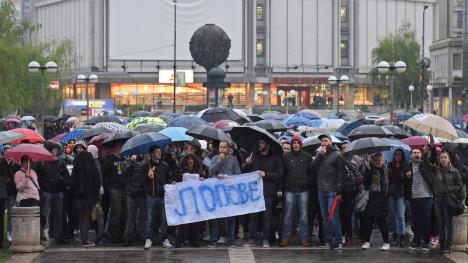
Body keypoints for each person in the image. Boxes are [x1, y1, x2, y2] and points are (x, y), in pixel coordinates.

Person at [243, 138, 283, 248]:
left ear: (268, 145)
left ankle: (266, 238)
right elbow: (245, 173)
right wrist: (247, 164)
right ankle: (252, 237)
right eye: (259, 143)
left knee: (267, 217)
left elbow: (279, 175)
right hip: (255, 191)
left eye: (262, 143)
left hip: (268, 191)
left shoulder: (275, 159)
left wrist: (266, 174)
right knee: (253, 216)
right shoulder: (254, 157)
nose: (259, 145)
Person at [310, 134, 346, 250]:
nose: (323, 143)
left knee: (333, 217)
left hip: (332, 190)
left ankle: (338, 240)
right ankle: (328, 240)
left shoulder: (337, 155)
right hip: (321, 190)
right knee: (325, 217)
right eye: (322, 141)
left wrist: (339, 191)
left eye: (325, 140)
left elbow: (341, 174)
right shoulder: (319, 154)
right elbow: (312, 168)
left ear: (331, 142)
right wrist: (319, 156)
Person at [427, 151, 464, 254]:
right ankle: (442, 245)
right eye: (441, 157)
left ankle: (449, 245)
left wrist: (450, 188)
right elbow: (426, 164)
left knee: (448, 223)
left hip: (448, 200)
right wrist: (426, 153)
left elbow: (460, 186)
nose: (443, 159)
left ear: (449, 159)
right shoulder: (436, 170)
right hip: (438, 199)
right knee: (441, 223)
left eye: (445, 157)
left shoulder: (454, 171)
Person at [280, 135, 313, 247]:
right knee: (287, 215)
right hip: (289, 190)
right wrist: (283, 187)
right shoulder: (286, 157)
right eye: (294, 143)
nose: (296, 144)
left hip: (303, 190)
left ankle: (304, 239)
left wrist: (306, 182)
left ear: (301, 144)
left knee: (303, 216)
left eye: (297, 143)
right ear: (291, 144)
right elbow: (282, 174)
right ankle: (285, 238)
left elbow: (311, 173)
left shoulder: (307, 157)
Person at [34, 141, 70, 244]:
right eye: (54, 149)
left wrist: (64, 184)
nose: (56, 151)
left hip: (58, 192)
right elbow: (36, 176)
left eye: (56, 149)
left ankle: (59, 235)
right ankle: (39, 235)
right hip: (46, 192)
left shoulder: (60, 162)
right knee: (43, 215)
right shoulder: (41, 162)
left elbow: (66, 175)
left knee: (59, 215)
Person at [208, 140, 241, 248]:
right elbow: (210, 172)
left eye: (224, 147)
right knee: (215, 216)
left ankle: (230, 239)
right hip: (217, 192)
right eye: (221, 147)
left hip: (230, 192)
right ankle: (214, 238)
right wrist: (219, 162)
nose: (222, 149)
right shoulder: (214, 158)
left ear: (228, 149)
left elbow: (238, 175)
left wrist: (226, 176)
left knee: (231, 216)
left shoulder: (233, 159)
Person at [359, 153, 391, 251]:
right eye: (375, 160)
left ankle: (386, 242)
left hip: (382, 198)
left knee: (382, 221)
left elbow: (390, 183)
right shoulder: (369, 169)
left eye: (379, 160)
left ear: (382, 160)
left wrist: (387, 194)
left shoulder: (386, 170)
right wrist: (371, 168)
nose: (377, 162)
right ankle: (367, 241)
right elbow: (365, 182)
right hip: (371, 197)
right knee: (368, 221)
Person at [71, 142, 100, 247]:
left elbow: (72, 181)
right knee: (86, 217)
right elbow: (97, 181)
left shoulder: (76, 167)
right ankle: (85, 240)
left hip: (78, 196)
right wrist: (96, 195)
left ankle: (82, 238)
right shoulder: (92, 166)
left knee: (80, 217)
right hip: (89, 196)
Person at [405, 148, 435, 251]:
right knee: (415, 220)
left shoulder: (425, 164)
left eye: (418, 153)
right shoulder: (408, 166)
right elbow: (403, 181)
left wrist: (429, 151)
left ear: (421, 155)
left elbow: (432, 160)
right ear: (411, 156)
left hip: (426, 196)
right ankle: (416, 241)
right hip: (413, 197)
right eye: (414, 153)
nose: (416, 154)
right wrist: (406, 177)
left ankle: (426, 242)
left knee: (426, 220)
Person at [145, 145, 174, 249]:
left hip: (162, 196)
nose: (159, 153)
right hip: (151, 196)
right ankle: (148, 239)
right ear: (152, 154)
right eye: (157, 152)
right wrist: (148, 177)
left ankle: (165, 239)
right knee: (149, 219)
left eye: (160, 151)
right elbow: (142, 181)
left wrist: (171, 182)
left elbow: (169, 178)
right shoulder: (147, 166)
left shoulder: (165, 165)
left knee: (163, 219)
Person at [175, 153, 205, 248]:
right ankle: (180, 240)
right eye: (188, 158)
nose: (190, 160)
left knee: (195, 221)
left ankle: (194, 240)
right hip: (184, 200)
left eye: (192, 158)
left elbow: (204, 180)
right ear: (185, 161)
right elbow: (176, 181)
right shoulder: (181, 171)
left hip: (195, 200)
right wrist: (175, 182)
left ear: (194, 161)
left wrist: (202, 179)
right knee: (183, 221)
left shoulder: (199, 170)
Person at [102, 144, 128, 243]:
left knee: (124, 212)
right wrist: (109, 186)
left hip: (124, 188)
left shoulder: (123, 160)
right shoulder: (109, 160)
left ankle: (121, 233)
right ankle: (114, 234)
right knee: (116, 211)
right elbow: (106, 175)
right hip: (114, 189)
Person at [122, 155, 148, 247]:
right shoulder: (127, 161)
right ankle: (128, 238)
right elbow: (125, 173)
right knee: (131, 217)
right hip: (131, 193)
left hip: (142, 193)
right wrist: (132, 163)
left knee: (142, 217)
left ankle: (143, 236)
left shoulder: (146, 161)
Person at [388, 149, 409, 247]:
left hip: (401, 193)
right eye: (396, 154)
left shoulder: (406, 167)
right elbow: (387, 179)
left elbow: (407, 183)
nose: (397, 156)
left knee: (401, 216)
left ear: (402, 156)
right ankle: (395, 236)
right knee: (394, 216)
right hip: (391, 193)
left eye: (399, 154)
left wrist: (406, 177)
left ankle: (402, 237)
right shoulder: (390, 165)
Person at [0, 145, 19, 242]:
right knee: (2, 213)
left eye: (9, 152)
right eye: (6, 152)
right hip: (3, 192)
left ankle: (10, 231)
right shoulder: (1, 162)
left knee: (11, 213)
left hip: (11, 191)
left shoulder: (15, 164)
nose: (8, 154)